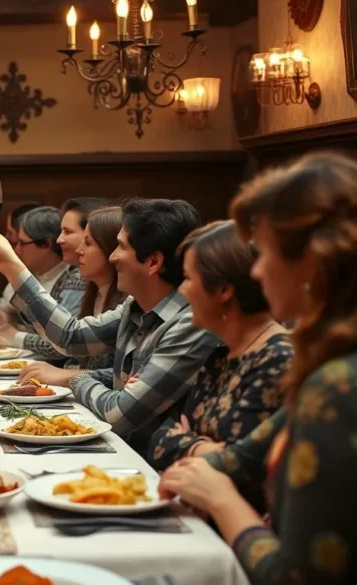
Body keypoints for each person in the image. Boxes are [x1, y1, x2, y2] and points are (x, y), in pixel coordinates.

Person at [159, 152, 357, 585]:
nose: (256, 270)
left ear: (314, 261)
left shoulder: (338, 384)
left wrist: (222, 501)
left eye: (263, 252)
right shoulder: (326, 363)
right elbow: (243, 457)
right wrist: (204, 465)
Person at [0, 198, 219, 451]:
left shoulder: (189, 323)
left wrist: (77, 379)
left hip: (148, 463)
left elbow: (119, 414)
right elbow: (71, 337)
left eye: (121, 247)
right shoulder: (135, 305)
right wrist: (11, 267)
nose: (113, 256)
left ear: (153, 262)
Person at [148, 221, 291, 472]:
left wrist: (188, 442)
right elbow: (159, 442)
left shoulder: (277, 360)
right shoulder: (221, 354)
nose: (182, 289)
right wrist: (201, 447)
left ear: (224, 290)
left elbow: (240, 470)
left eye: (189, 279)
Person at [14, 206, 128, 376]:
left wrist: (13, 268)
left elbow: (69, 338)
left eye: (88, 243)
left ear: (110, 248)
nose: (79, 250)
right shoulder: (93, 292)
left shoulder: (129, 302)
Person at [0, 206, 86, 322]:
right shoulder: (33, 271)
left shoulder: (74, 278)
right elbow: (6, 311)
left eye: (22, 243)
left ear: (46, 244)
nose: (16, 250)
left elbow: (64, 338)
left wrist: (14, 336)